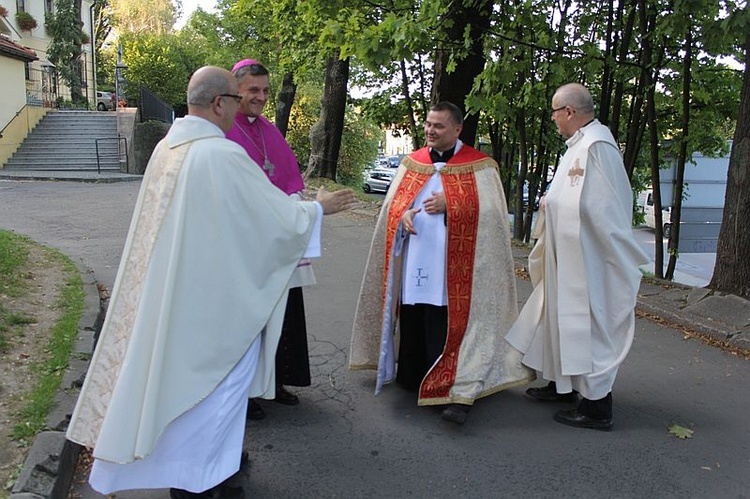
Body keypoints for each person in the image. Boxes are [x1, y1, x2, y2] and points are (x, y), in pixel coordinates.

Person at [65, 66, 357, 499]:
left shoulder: (168, 148)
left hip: (176, 296)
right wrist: (318, 210)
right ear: (220, 102)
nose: (240, 108)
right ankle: (204, 483)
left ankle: (200, 477)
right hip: (213, 312)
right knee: (215, 400)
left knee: (185, 400)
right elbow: (272, 220)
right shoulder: (220, 155)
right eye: (237, 100)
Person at [350, 101, 535, 425]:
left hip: (456, 270)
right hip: (416, 259)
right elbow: (393, 209)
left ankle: (451, 386)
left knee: (444, 321)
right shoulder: (413, 163)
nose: (430, 131)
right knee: (414, 316)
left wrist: (454, 205)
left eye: (438, 126)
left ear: (457, 129)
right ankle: (415, 376)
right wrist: (403, 214)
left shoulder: (480, 167)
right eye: (428, 125)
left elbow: (493, 220)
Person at [506, 83, 649, 431]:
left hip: (589, 260)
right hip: (568, 255)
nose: (553, 119)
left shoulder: (596, 146)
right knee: (556, 318)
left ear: (569, 112)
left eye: (555, 112)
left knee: (589, 324)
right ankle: (563, 385)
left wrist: (551, 203)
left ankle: (598, 409)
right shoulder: (580, 145)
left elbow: (600, 207)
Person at [225, 59, 310, 420]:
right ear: (235, 91)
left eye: (264, 90)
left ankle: (277, 380)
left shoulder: (268, 130)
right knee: (250, 318)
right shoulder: (225, 131)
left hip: (277, 239)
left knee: (285, 311)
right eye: (252, 91)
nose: (260, 98)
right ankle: (244, 393)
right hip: (245, 244)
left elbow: (286, 178)